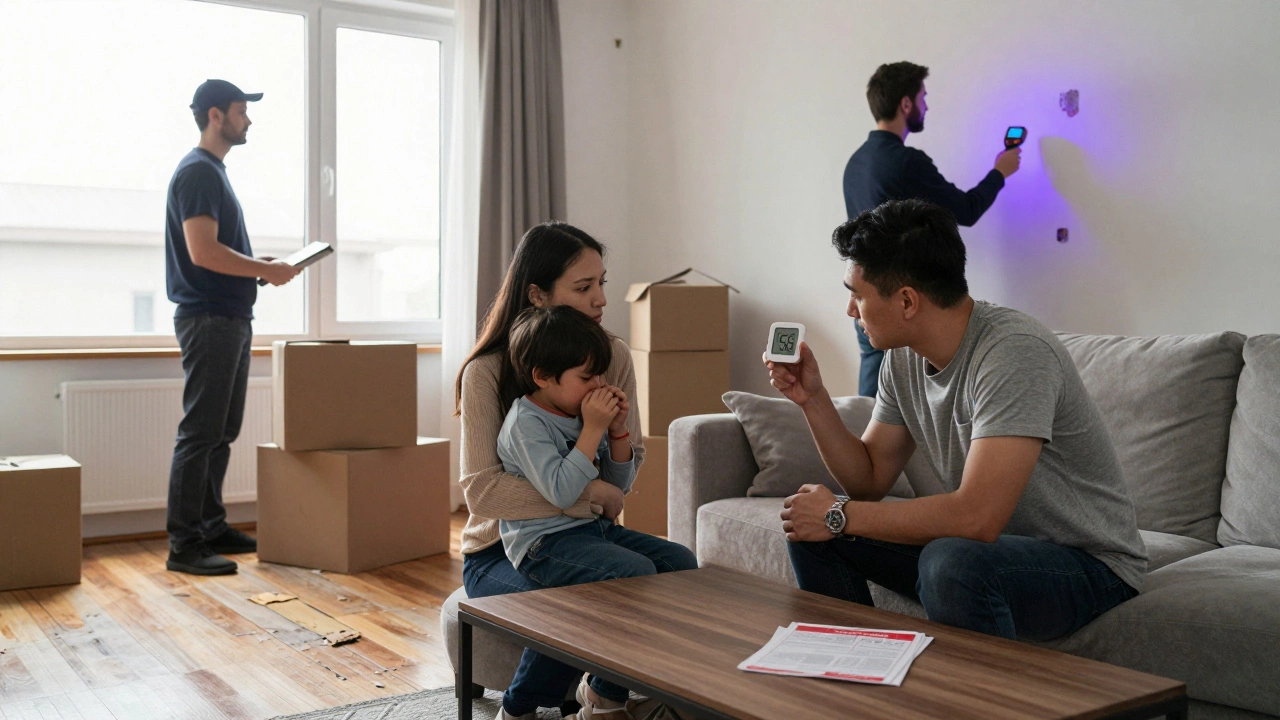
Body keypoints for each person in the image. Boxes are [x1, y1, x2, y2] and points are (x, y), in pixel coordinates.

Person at [766, 199, 1147, 641]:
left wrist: (838, 514)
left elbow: (976, 517)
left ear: (907, 301)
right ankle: (854, 683)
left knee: (951, 562)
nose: (850, 310)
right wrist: (812, 398)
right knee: (808, 526)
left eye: (857, 293)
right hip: (989, 550)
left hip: (1089, 565)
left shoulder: (1014, 352)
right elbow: (869, 480)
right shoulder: (902, 358)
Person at [455, 222, 698, 720]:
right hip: (501, 550)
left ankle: (608, 696)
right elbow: (484, 494)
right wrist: (591, 495)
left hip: (586, 535)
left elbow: (624, 477)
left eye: (602, 283)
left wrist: (615, 447)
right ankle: (528, 708)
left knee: (675, 567)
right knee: (590, 596)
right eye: (584, 287)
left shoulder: (613, 356)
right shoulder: (488, 373)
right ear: (539, 296)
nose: (601, 299)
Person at [164, 79, 300, 576]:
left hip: (228, 318)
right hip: (210, 319)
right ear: (216, 115)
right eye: (242, 111)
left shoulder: (211, 173)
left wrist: (255, 264)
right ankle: (184, 545)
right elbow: (203, 252)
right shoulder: (199, 173)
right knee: (200, 434)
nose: (249, 120)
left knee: (220, 431)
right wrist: (264, 270)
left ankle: (210, 526)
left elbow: (215, 253)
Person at [843, 61, 1021, 397]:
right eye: (923, 97)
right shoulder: (907, 162)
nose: (926, 105)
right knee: (910, 400)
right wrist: (1000, 172)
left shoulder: (855, 164)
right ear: (906, 104)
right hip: (899, 301)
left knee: (872, 395)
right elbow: (966, 211)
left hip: (864, 296)